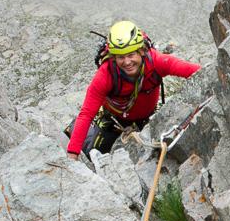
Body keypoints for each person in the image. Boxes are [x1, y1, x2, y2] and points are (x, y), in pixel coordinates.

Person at [66, 20, 201, 159]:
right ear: (114, 57)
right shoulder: (106, 75)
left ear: (142, 51)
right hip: (115, 120)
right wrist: (73, 153)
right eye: (121, 57)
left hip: (149, 117)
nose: (127, 62)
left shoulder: (156, 62)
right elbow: (87, 114)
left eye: (131, 55)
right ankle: (75, 127)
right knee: (93, 153)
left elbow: (198, 72)